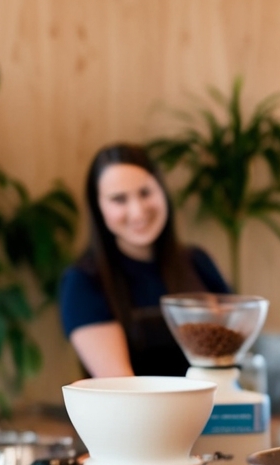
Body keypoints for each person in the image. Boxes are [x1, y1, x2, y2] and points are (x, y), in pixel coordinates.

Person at [60, 144, 231, 377]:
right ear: (99, 208)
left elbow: (229, 356)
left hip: (214, 409)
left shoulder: (197, 262)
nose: (138, 211)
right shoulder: (84, 281)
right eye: (119, 199)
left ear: (162, 191)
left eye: (145, 193)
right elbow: (121, 386)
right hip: (136, 413)